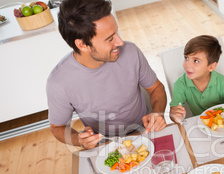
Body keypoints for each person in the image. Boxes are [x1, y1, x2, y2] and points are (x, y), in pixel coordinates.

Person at [47, 0, 167, 150]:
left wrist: (157, 113)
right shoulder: (59, 83)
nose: (120, 42)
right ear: (82, 45)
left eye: (116, 32)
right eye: (110, 39)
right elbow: (57, 127)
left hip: (146, 132)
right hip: (104, 144)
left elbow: (156, 88)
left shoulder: (131, 52)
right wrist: (79, 139)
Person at [169, 35, 224, 123]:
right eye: (186, 58)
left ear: (211, 66)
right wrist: (174, 114)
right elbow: (173, 111)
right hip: (198, 124)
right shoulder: (180, 84)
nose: (188, 65)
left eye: (196, 61)